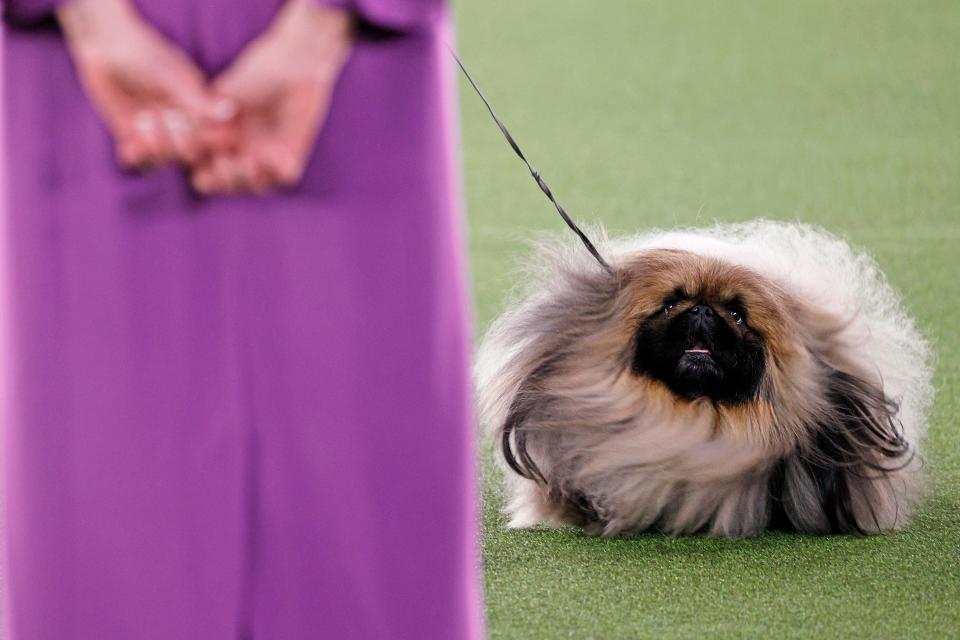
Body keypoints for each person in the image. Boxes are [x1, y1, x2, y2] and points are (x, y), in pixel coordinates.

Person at [0, 0, 485, 638]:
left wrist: (320, 28)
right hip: (85, 67)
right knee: (103, 495)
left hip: (349, 64)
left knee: (358, 497)